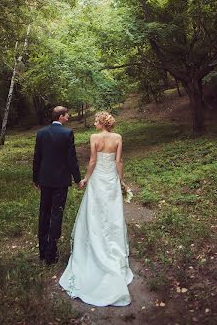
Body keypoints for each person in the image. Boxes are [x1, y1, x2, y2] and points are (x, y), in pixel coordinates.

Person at [59, 111, 133, 307]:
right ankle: (113, 248)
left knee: (94, 213)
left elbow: (92, 160)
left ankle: (95, 242)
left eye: (96, 120)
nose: (94, 123)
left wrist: (86, 178)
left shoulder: (94, 138)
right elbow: (119, 162)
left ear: (102, 122)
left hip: (98, 179)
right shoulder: (117, 138)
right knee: (112, 214)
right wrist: (122, 181)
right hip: (110, 180)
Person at [33, 106, 85, 265]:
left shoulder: (41, 133)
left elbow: (37, 158)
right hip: (61, 181)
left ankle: (42, 251)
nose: (68, 117)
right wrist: (78, 180)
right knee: (56, 214)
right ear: (61, 116)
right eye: (67, 115)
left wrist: (36, 179)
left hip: (45, 180)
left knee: (44, 213)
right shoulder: (67, 133)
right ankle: (51, 254)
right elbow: (72, 159)